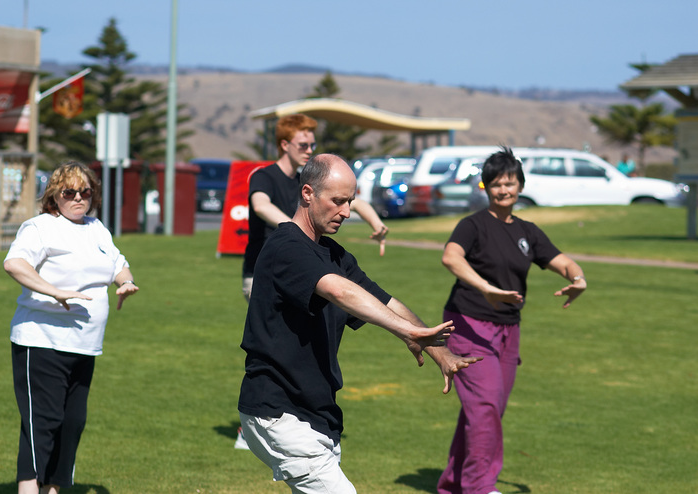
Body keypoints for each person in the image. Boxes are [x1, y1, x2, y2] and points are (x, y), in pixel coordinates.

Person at [238, 153, 481, 493]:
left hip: (316, 413)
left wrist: (440, 352)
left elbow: (386, 302)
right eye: (338, 201)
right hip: (279, 411)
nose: (347, 212)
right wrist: (406, 331)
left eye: (350, 201)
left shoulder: (334, 255)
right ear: (308, 194)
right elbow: (338, 290)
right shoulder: (286, 247)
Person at [436, 147, 587, 494]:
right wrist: (486, 288)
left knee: (486, 410)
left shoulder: (527, 231)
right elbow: (451, 257)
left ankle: (452, 485)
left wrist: (578, 278)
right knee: (485, 406)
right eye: (496, 184)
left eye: (510, 183)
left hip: (507, 332)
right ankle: (478, 487)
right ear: (485, 187)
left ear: (520, 186)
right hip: (469, 325)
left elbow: (561, 261)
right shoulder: (472, 225)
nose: (504, 190)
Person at [3, 161, 139, 494]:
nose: (78, 198)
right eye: (69, 192)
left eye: (85, 192)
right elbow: (14, 263)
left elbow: (118, 263)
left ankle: (53, 489)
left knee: (72, 424)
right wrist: (53, 290)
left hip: (85, 344)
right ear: (54, 195)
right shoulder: (40, 227)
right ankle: (28, 488)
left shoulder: (96, 227)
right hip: (42, 339)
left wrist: (126, 282)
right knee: (43, 424)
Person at [241, 113, 389, 301]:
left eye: (312, 145)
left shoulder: (303, 181)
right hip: (262, 271)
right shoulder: (264, 176)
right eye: (303, 145)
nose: (309, 150)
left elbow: (354, 202)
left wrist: (377, 224)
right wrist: (295, 230)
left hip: (296, 267)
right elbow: (261, 206)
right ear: (285, 145)